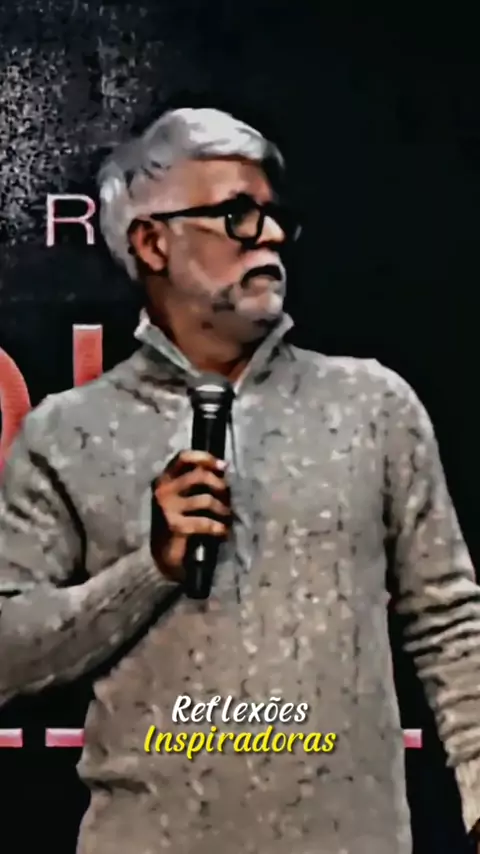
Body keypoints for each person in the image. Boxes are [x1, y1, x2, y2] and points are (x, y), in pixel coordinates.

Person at [0, 106, 479, 854]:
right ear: (152, 242)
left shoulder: (375, 406)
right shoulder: (68, 433)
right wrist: (150, 569)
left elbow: (449, 622)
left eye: (274, 215)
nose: (272, 236)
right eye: (236, 215)